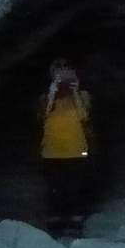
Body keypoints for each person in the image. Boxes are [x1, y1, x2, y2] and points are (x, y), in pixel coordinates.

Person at [39, 59, 93, 235]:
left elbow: (84, 116)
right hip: (51, 152)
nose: (63, 77)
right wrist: (52, 92)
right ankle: (55, 224)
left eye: (67, 72)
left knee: (74, 187)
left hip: (76, 150)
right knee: (55, 189)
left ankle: (74, 223)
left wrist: (75, 92)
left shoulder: (83, 95)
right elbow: (42, 116)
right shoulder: (45, 97)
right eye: (59, 73)